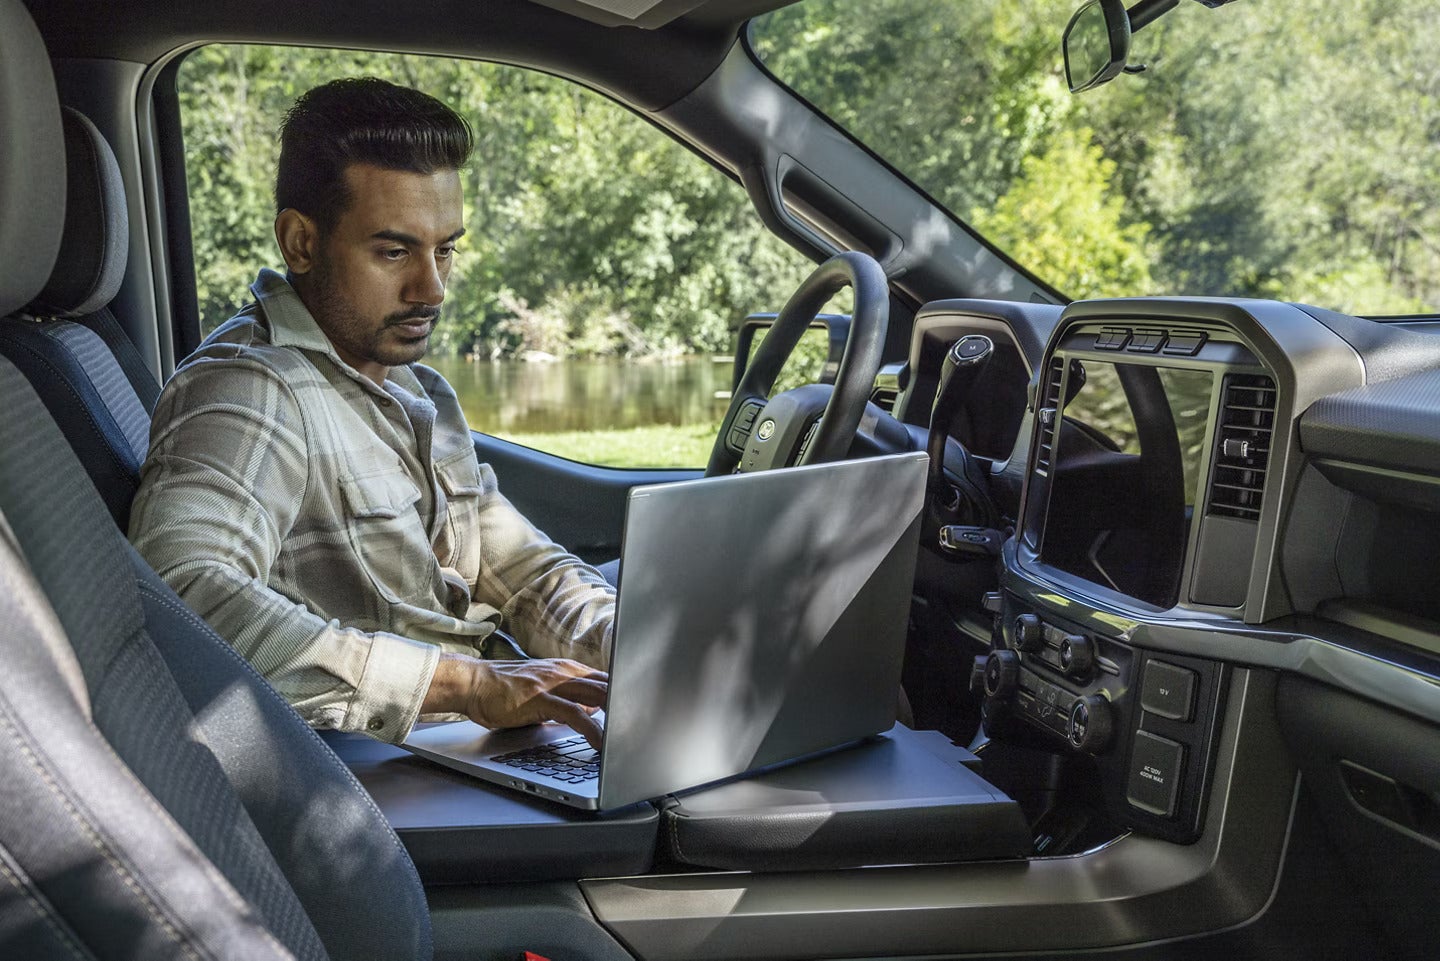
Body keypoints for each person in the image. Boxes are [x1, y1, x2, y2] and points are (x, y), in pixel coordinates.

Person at [129, 78, 613, 747]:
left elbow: (521, 570)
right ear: (301, 242)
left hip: (476, 740)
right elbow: (181, 595)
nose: (432, 286)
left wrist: (630, 651)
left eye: (445, 248)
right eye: (394, 251)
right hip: (381, 768)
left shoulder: (417, 388)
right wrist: (466, 685)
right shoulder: (251, 388)